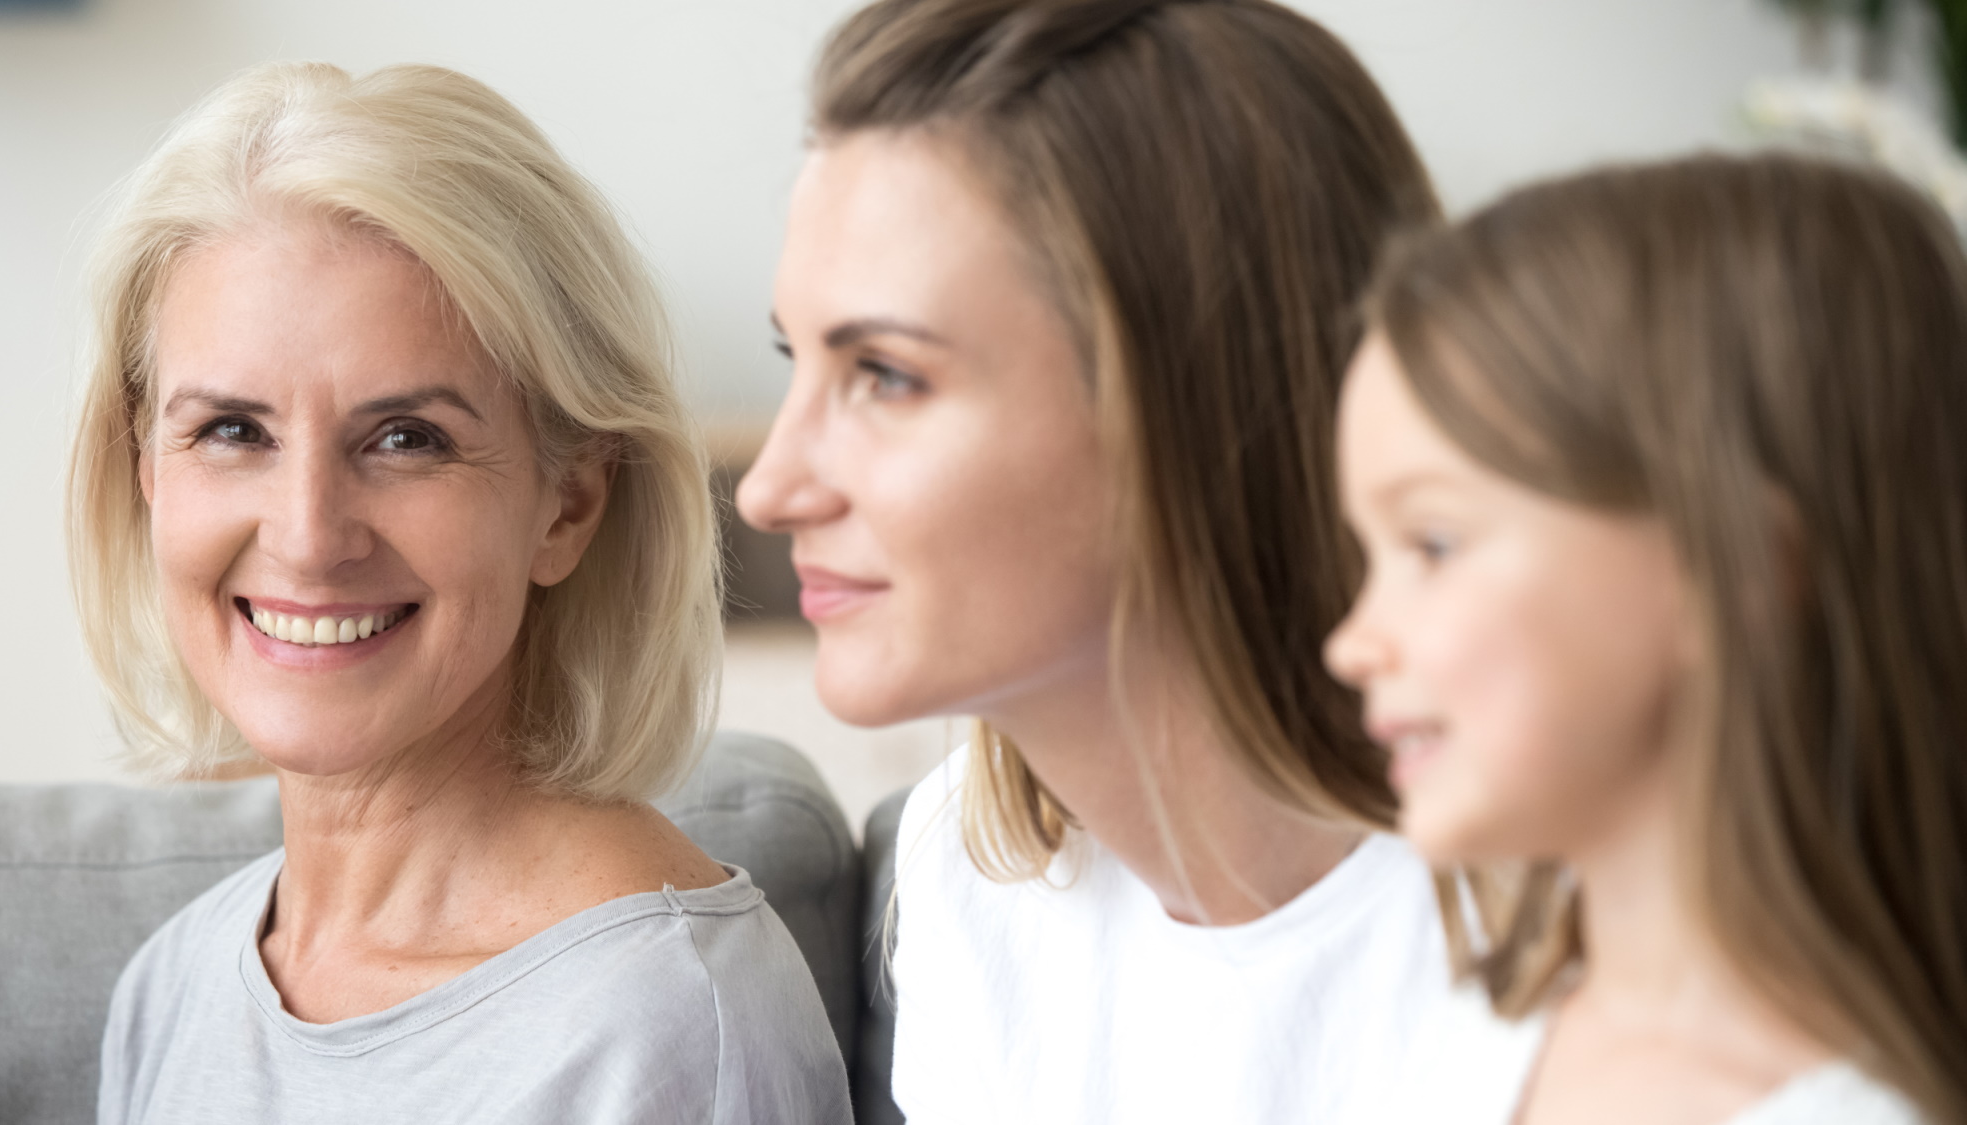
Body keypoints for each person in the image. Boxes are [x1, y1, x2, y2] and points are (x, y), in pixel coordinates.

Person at [77, 61, 852, 1124]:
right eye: (232, 431)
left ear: (568, 505)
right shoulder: (172, 986)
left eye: (406, 439)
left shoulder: (664, 1018)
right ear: (146, 473)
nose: (307, 537)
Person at [737, 1, 1460, 1120]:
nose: (769, 488)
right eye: (799, 361)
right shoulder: (972, 884)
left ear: (1190, 401)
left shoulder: (1560, 953)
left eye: (883, 374)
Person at [1327, 153, 1967, 1124]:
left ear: (1732, 570)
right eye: (1366, 553)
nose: (1351, 644)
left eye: (1432, 543)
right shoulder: (1468, 1039)